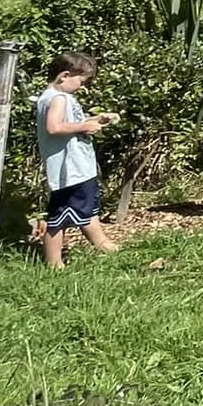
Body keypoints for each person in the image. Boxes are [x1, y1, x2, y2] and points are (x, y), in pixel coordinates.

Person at [33, 52, 122, 269]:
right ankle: (54, 263)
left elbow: (68, 123)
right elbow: (54, 127)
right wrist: (84, 127)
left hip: (78, 168)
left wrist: (95, 120)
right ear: (64, 75)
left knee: (86, 208)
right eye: (81, 82)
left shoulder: (54, 97)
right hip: (69, 169)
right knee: (59, 217)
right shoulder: (58, 98)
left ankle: (103, 244)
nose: (81, 87)